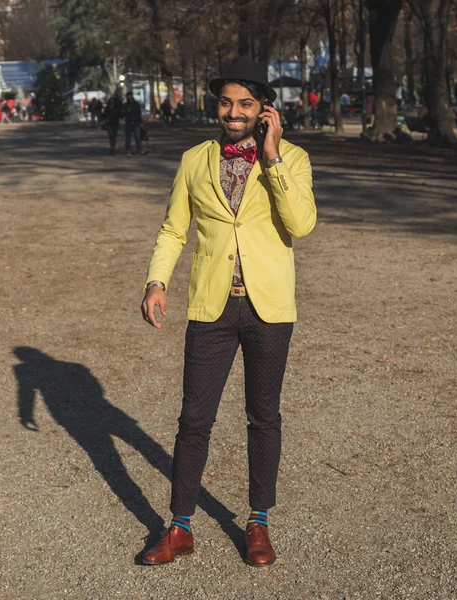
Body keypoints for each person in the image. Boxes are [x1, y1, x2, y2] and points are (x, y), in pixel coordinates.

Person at [140, 56, 316, 567]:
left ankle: (258, 522)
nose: (233, 112)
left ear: (264, 109)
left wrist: (273, 156)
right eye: (225, 102)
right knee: (194, 419)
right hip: (211, 306)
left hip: (269, 308)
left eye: (244, 103)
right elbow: (175, 229)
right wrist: (156, 281)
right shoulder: (195, 159)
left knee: (263, 417)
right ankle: (179, 527)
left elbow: (301, 224)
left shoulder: (293, 159)